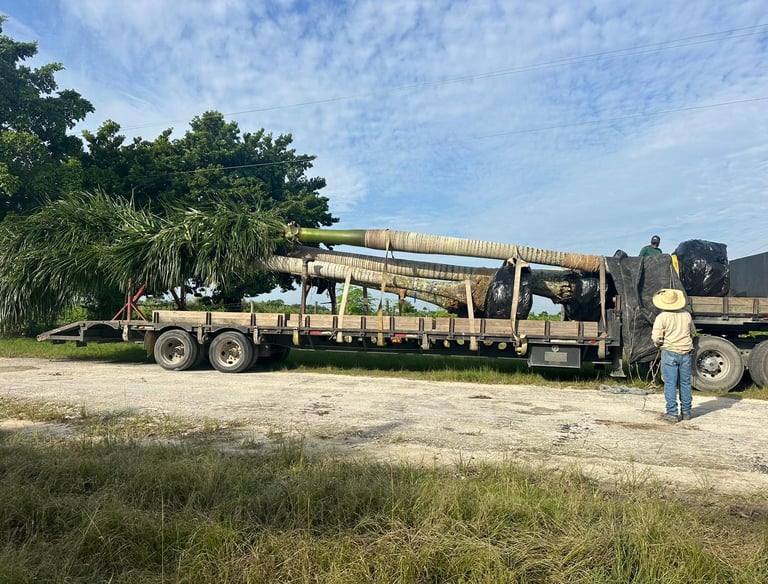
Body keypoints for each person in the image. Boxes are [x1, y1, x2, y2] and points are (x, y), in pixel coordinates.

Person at [651, 288, 696, 422]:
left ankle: (672, 413)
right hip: (686, 352)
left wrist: (659, 344)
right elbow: (693, 331)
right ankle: (686, 412)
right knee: (685, 383)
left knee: (670, 383)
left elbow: (656, 337)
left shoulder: (662, 317)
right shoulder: (687, 315)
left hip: (670, 352)